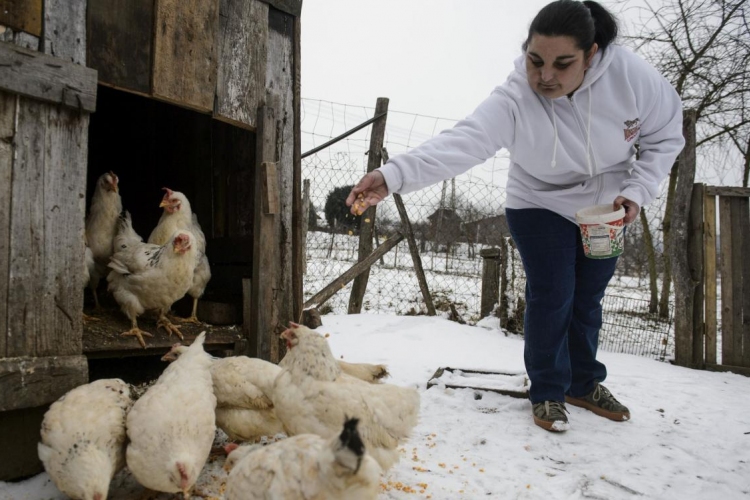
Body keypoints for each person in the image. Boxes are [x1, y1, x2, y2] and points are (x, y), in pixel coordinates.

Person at [346, 0, 685, 432]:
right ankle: (546, 389)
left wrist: (637, 191)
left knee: (588, 299)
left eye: (563, 64)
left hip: (605, 206)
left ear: (592, 55)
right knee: (554, 292)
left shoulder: (633, 80)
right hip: (537, 201)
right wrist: (391, 176)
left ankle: (581, 383)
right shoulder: (515, 97)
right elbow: (463, 142)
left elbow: (665, 137)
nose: (545, 76)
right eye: (535, 60)